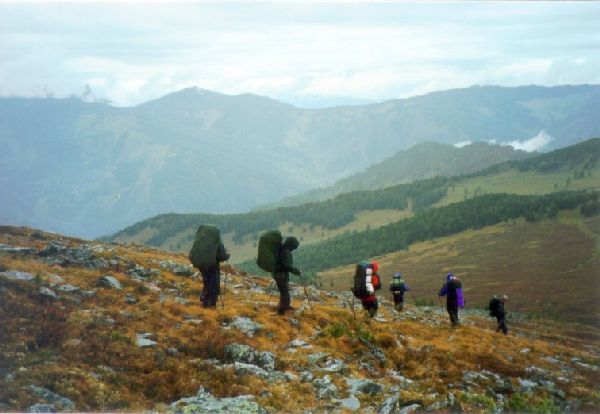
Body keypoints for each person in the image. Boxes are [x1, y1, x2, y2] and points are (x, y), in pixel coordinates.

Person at [273, 236, 301, 315]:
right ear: (292, 245)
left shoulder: (281, 249)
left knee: (283, 291)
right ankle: (284, 308)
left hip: (277, 274)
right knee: (285, 292)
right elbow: (288, 266)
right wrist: (297, 271)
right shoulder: (286, 252)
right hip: (282, 275)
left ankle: (282, 309)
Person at [200, 239, 230, 308]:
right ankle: (211, 305)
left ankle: (204, 302)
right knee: (214, 285)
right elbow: (223, 256)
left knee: (206, 283)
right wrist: (228, 255)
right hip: (214, 267)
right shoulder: (217, 241)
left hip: (203, 267)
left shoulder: (203, 239)